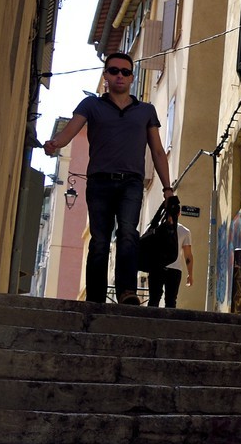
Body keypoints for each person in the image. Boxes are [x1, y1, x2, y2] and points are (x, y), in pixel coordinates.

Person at [43, 52, 174, 303]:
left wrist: (168, 188)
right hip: (100, 181)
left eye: (125, 72)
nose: (119, 76)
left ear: (132, 78)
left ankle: (127, 291)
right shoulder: (91, 106)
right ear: (106, 76)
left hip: (132, 183)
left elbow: (157, 150)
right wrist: (55, 144)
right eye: (114, 71)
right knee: (100, 240)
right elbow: (70, 130)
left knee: (127, 233)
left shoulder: (145, 111)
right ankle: (95, 298)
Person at [146, 196, 193, 308]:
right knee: (171, 302)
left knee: (153, 299)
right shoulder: (184, 231)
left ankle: (149, 323)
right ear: (179, 213)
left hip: (156, 267)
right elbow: (188, 255)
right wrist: (190, 274)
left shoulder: (155, 228)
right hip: (175, 269)